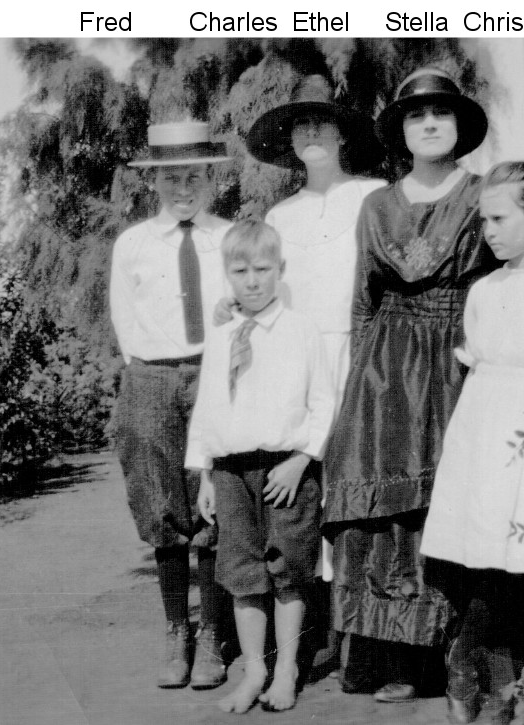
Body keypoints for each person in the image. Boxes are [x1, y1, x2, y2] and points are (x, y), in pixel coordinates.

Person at [321, 67, 500, 703]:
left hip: (458, 357)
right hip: (387, 369)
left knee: (447, 503)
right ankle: (396, 657)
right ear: (401, 130)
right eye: (416, 115)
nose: (429, 124)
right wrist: (357, 390)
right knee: (385, 509)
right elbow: (363, 300)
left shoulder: (485, 195)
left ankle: (457, 657)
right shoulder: (376, 205)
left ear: (459, 127)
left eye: (441, 114)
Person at [421, 161, 524, 723]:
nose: (488, 230)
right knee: (476, 557)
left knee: (518, 563)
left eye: (499, 217)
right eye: (483, 219)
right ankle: (469, 664)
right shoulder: (484, 290)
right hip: (482, 432)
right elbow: (477, 373)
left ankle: (499, 682)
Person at [241, 73, 387, 680]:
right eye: (301, 124)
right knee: (307, 494)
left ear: (341, 132)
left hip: (364, 353)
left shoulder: (374, 196)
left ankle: (365, 638)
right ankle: (312, 635)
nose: (312, 133)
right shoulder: (282, 213)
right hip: (304, 359)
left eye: (322, 122)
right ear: (290, 140)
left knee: (359, 489)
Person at [187, 219, 337, 714]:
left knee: (288, 568)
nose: (252, 280)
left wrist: (301, 460)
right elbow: (207, 407)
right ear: (228, 275)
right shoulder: (224, 332)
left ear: (281, 270)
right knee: (242, 571)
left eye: (263, 269)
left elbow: (323, 401)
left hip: (285, 470)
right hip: (231, 470)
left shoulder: (301, 330)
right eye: (240, 270)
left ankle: (287, 668)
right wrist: (206, 474)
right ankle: (254, 668)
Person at [110, 121, 233, 690]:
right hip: (152, 379)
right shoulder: (134, 243)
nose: (184, 187)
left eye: (194, 175)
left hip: (214, 372)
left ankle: (212, 633)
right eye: (172, 177)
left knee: (212, 506)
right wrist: (151, 375)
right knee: (161, 505)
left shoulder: (229, 238)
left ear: (210, 178)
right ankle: (175, 632)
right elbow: (125, 320)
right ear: (154, 182)